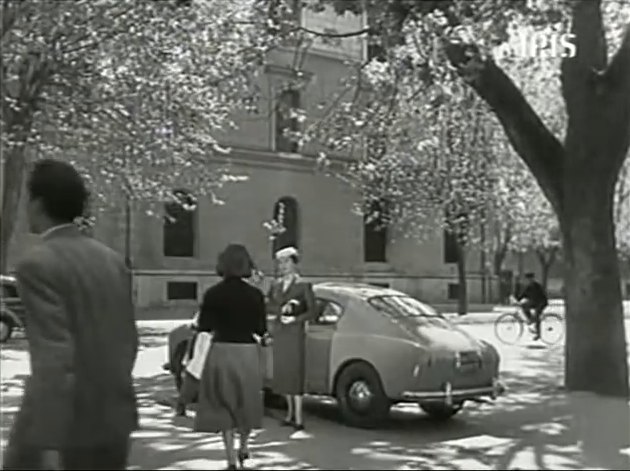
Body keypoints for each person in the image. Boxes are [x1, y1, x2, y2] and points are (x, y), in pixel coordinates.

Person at [3, 159, 138, 470]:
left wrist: (49, 444)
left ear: (37, 203)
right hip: (113, 421)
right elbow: (128, 341)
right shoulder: (112, 260)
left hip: (63, 431)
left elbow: (54, 357)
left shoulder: (37, 264)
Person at [194, 244, 269, 470]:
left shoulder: (213, 294)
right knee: (245, 402)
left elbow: (204, 326)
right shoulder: (255, 295)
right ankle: (244, 446)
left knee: (222, 405)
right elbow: (261, 328)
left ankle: (229, 459)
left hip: (221, 352)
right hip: (247, 353)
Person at [267, 246, 315, 432]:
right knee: (284, 373)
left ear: (294, 263)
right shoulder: (276, 285)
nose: (283, 266)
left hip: (295, 333)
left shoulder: (304, 285)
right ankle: (289, 414)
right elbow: (270, 305)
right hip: (280, 333)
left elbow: (312, 311)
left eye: (286, 262)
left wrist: (296, 318)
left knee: (295, 373)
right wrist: (278, 311)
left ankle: (299, 416)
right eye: (280, 262)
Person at [516, 272, 548, 340]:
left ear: (532, 279)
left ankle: (538, 334)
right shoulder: (530, 286)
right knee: (524, 306)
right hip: (536, 302)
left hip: (541, 302)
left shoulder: (536, 285)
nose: (527, 281)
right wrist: (517, 300)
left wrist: (528, 301)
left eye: (528, 279)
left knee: (537, 316)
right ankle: (531, 319)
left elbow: (539, 296)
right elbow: (524, 294)